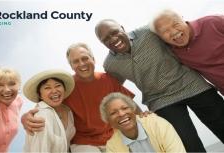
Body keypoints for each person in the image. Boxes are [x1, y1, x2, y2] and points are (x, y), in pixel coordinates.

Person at [95, 19, 224, 152]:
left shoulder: (149, 32)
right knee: (188, 145)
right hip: (161, 101)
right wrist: (137, 112)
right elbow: (117, 90)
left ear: (122, 27)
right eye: (106, 39)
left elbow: (180, 33)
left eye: (114, 32)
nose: (113, 39)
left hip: (190, 84)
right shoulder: (110, 65)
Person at [21, 43, 135, 153]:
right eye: (75, 61)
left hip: (113, 137)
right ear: (71, 66)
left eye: (85, 58)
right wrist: (25, 117)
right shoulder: (67, 88)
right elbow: (46, 105)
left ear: (93, 59)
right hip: (83, 143)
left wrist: (143, 115)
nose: (81, 64)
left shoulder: (108, 79)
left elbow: (129, 103)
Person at [149, 9, 224, 95]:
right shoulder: (172, 52)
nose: (174, 32)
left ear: (182, 18)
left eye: (176, 24)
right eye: (165, 31)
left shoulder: (213, 22)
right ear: (160, 37)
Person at [100, 92, 186, 153]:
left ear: (133, 109)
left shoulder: (157, 124)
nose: (121, 114)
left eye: (125, 108)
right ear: (108, 120)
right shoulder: (112, 145)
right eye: (113, 113)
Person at [23, 69, 75, 152]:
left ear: (64, 89)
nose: (54, 91)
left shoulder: (68, 110)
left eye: (58, 85)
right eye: (47, 88)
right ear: (40, 95)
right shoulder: (42, 114)